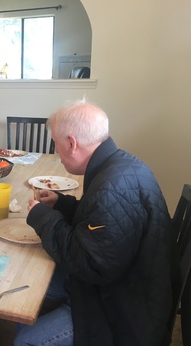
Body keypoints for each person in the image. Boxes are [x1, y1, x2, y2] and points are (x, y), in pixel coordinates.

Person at [15, 101, 173, 346]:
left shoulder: (111, 188)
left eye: (56, 144)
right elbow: (102, 224)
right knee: (25, 284)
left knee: (25, 339)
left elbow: (88, 262)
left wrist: (42, 218)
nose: (56, 151)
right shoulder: (116, 164)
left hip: (119, 308)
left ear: (71, 143)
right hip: (123, 284)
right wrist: (62, 204)